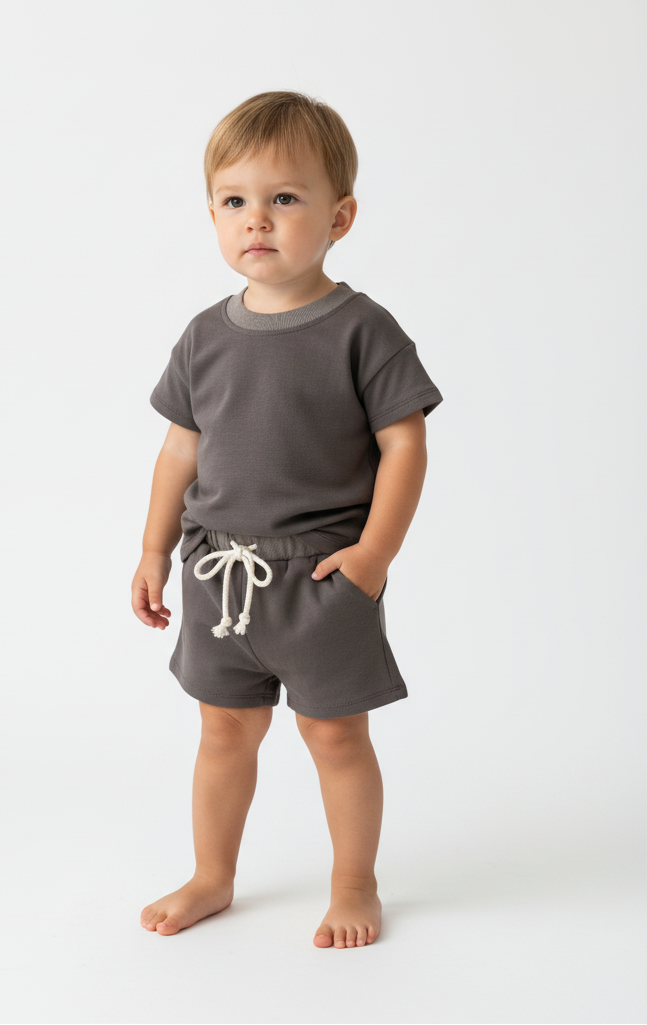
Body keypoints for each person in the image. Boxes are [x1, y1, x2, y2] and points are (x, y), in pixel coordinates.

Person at [132, 91, 443, 949]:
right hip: (218, 574)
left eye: (285, 198)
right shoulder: (202, 335)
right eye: (235, 201)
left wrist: (373, 555)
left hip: (319, 578)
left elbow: (404, 445)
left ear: (339, 216)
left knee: (335, 737)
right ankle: (212, 874)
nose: (256, 220)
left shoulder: (361, 329)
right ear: (212, 215)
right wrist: (155, 550)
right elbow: (178, 453)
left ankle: (354, 881)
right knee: (221, 731)